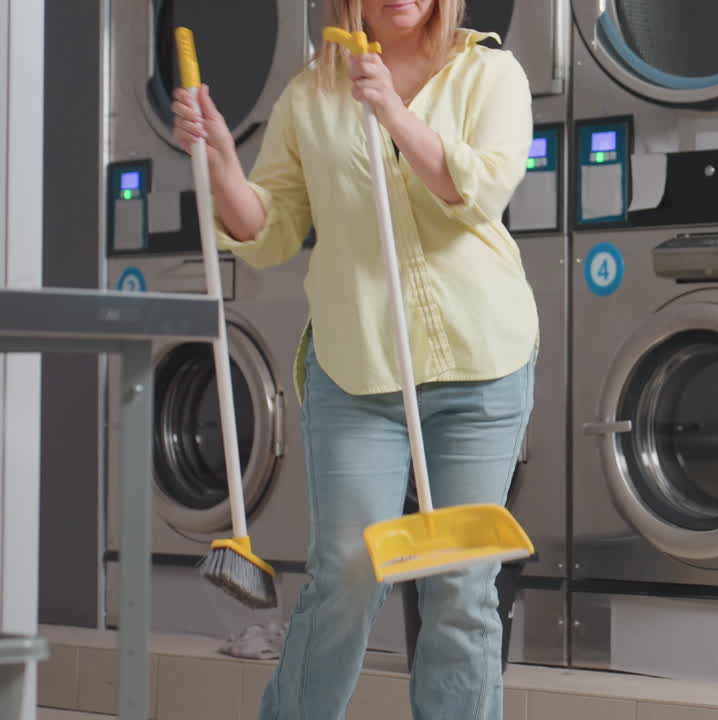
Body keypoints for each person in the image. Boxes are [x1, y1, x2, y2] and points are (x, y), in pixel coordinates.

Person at [171, 0, 538, 717]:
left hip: (480, 364)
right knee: (347, 569)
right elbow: (270, 230)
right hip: (359, 370)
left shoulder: (489, 72)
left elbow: (477, 191)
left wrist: (395, 116)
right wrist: (219, 160)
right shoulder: (310, 95)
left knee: (460, 586)